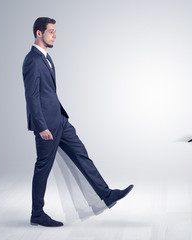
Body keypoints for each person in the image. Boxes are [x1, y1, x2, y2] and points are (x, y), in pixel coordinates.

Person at [22, 17, 133, 227]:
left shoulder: (47, 58)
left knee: (81, 155)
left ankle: (106, 194)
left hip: (61, 120)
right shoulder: (32, 60)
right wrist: (41, 126)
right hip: (47, 125)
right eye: (51, 31)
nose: (55, 35)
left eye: (55, 31)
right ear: (39, 33)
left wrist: (59, 118)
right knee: (43, 167)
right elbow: (32, 96)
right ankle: (37, 213)